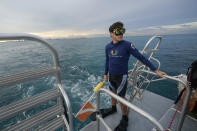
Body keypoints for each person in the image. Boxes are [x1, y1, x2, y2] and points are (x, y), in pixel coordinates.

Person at [103, 21, 166, 131]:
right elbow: (107, 61)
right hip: (111, 75)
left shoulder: (127, 45)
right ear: (111, 33)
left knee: (121, 98)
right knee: (112, 93)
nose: (121, 34)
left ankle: (124, 117)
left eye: (122, 31)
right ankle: (113, 108)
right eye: (118, 32)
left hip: (121, 77)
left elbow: (141, 57)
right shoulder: (108, 47)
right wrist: (105, 74)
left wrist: (155, 70)